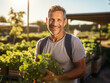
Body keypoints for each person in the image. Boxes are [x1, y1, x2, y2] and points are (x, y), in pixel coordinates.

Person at [35, 5, 86, 83]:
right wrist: (28, 71)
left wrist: (56, 77)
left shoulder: (73, 42)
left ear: (64, 22)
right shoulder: (41, 43)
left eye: (59, 20)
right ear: (46, 20)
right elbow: (37, 66)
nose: (55, 24)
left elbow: (82, 70)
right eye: (51, 19)